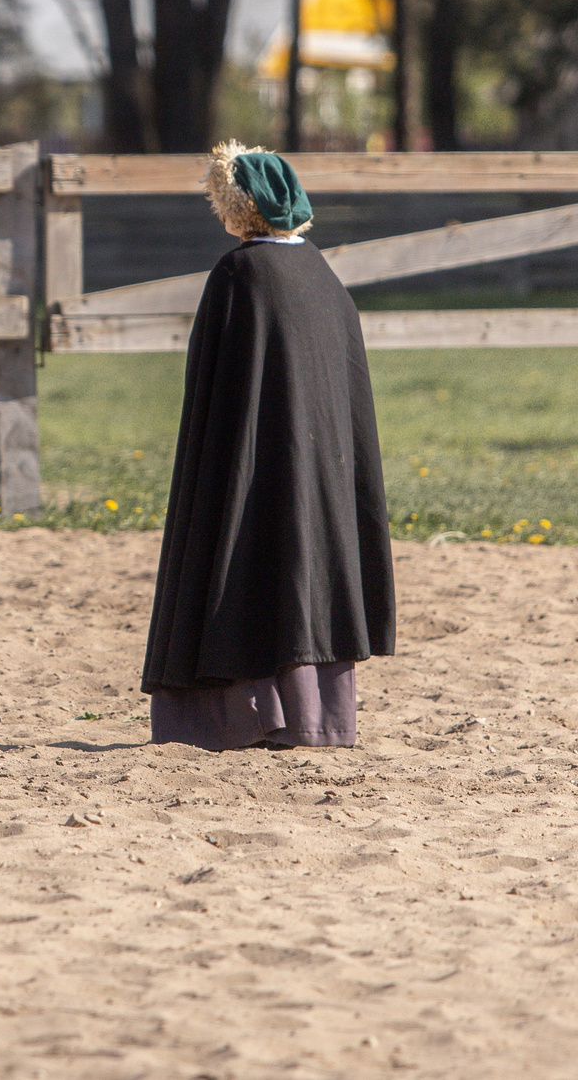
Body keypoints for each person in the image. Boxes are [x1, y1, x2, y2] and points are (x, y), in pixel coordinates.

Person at [141, 142, 396, 749]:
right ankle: (319, 716)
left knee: (247, 551)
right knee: (305, 557)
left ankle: (246, 716)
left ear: (236, 206)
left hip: (252, 463)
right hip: (318, 470)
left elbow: (215, 385)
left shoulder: (239, 274)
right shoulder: (324, 276)